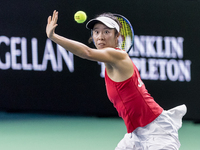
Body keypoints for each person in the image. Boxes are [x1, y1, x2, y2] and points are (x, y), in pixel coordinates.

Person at [46, 10, 187, 150]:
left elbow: (87, 52)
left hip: (157, 132)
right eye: (96, 32)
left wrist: (54, 37)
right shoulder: (110, 63)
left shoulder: (118, 55)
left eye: (106, 32)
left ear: (117, 36)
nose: (100, 37)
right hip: (135, 135)